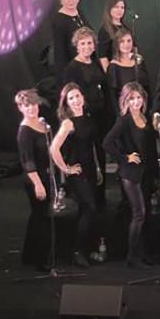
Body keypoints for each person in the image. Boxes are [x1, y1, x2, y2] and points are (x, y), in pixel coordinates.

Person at [103, 83, 157, 268]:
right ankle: (132, 257)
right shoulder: (124, 120)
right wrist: (125, 157)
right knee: (138, 214)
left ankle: (143, 253)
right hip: (130, 174)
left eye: (139, 98)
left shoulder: (144, 116)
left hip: (145, 173)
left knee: (146, 214)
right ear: (125, 100)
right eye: (132, 98)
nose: (136, 102)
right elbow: (107, 143)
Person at [49, 83, 101, 268]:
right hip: (77, 172)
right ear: (66, 102)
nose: (76, 100)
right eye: (71, 98)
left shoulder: (87, 117)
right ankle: (77, 250)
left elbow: (91, 146)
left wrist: (97, 168)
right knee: (90, 208)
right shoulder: (68, 123)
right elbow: (54, 148)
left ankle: (86, 249)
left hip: (89, 170)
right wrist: (66, 169)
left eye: (77, 96)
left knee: (88, 211)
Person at [62, 26, 108, 207]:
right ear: (77, 46)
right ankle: (87, 199)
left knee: (100, 156)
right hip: (82, 119)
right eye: (83, 43)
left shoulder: (95, 63)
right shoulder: (72, 68)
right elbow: (69, 97)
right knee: (86, 157)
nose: (87, 47)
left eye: (90, 43)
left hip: (99, 116)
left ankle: (100, 197)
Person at [15, 89, 53, 271]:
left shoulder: (40, 123)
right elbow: (27, 161)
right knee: (41, 218)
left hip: (44, 175)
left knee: (37, 216)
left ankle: (29, 255)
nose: (31, 108)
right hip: (33, 178)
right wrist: (38, 184)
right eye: (26, 105)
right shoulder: (25, 131)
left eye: (33, 104)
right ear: (20, 108)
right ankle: (41, 259)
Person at [50, 0, 91, 81]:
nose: (70, 0)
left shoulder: (79, 12)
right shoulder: (58, 19)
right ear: (61, 0)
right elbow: (60, 50)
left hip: (86, 60)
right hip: (71, 65)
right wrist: (65, 74)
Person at [106, 28, 150, 117]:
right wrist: (120, 115)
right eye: (122, 41)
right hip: (126, 113)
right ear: (117, 44)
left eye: (129, 41)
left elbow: (147, 87)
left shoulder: (139, 60)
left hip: (143, 111)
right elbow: (112, 97)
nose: (126, 44)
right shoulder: (113, 66)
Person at [97, 0, 129, 72]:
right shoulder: (104, 30)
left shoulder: (126, 28)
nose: (119, 10)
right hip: (115, 71)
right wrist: (110, 75)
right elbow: (103, 57)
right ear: (109, 9)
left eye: (122, 7)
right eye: (116, 7)